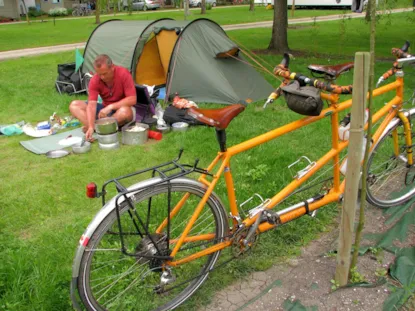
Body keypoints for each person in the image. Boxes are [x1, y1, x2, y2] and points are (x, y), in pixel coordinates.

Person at [69, 54, 137, 141]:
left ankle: (101, 128)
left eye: (105, 73)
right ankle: (95, 128)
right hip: (104, 111)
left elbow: (132, 99)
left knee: (125, 112)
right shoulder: (95, 79)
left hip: (120, 109)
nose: (102, 77)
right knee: (74, 105)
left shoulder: (123, 73)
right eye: (99, 74)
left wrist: (111, 106)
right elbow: (91, 105)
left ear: (112, 67)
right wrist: (90, 125)